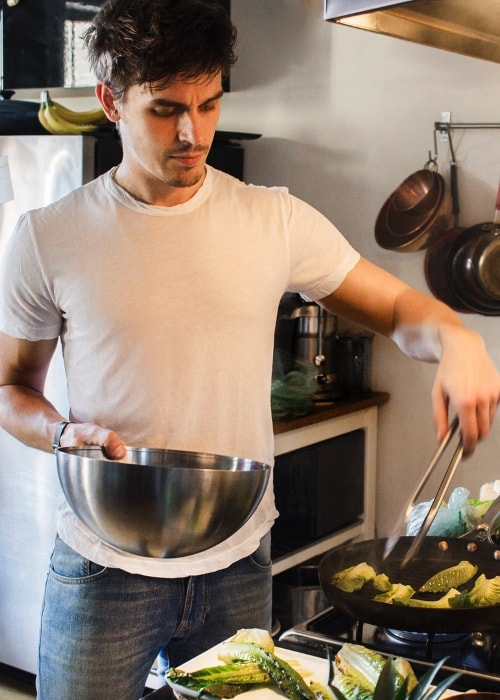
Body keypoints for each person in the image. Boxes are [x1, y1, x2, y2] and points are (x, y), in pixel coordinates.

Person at [0, 0, 498, 698]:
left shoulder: (274, 218)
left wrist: (455, 338)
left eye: (208, 105)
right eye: (166, 108)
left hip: (237, 561)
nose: (192, 132)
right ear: (111, 101)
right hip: (104, 568)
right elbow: (11, 388)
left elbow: (395, 307)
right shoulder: (50, 236)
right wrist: (59, 431)